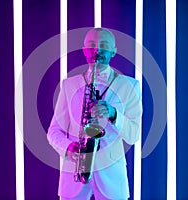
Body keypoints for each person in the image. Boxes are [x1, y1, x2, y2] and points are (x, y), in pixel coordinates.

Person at [47, 27, 142, 200]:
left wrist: (114, 114)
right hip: (74, 173)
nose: (97, 49)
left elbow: (134, 135)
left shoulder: (130, 86)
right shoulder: (69, 85)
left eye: (104, 45)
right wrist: (68, 148)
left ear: (114, 52)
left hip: (112, 176)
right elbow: (53, 131)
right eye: (91, 45)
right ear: (84, 51)